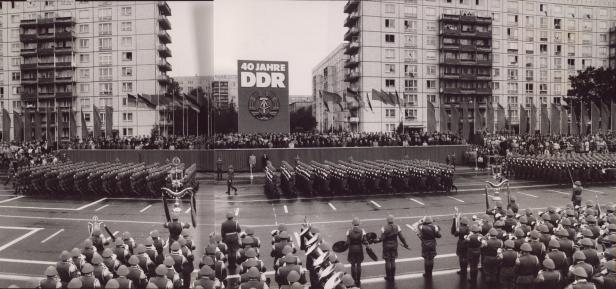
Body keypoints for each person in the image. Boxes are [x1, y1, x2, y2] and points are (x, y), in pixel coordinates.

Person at [375, 214, 409, 281]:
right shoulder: (397, 227)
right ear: (393, 220)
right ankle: (393, 276)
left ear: (387, 221)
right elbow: (402, 237)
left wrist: (375, 241)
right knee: (393, 260)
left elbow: (381, 239)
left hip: (386, 246)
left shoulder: (384, 228)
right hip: (394, 246)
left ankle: (388, 276)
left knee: (387, 261)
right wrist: (405, 244)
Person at [345, 217, 368, 287]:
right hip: (359, 249)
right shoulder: (362, 231)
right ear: (359, 223)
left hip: (352, 249)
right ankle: (358, 279)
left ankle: (354, 280)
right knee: (358, 265)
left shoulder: (349, 231)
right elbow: (365, 241)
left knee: (352, 265)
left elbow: (348, 242)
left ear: (352, 223)